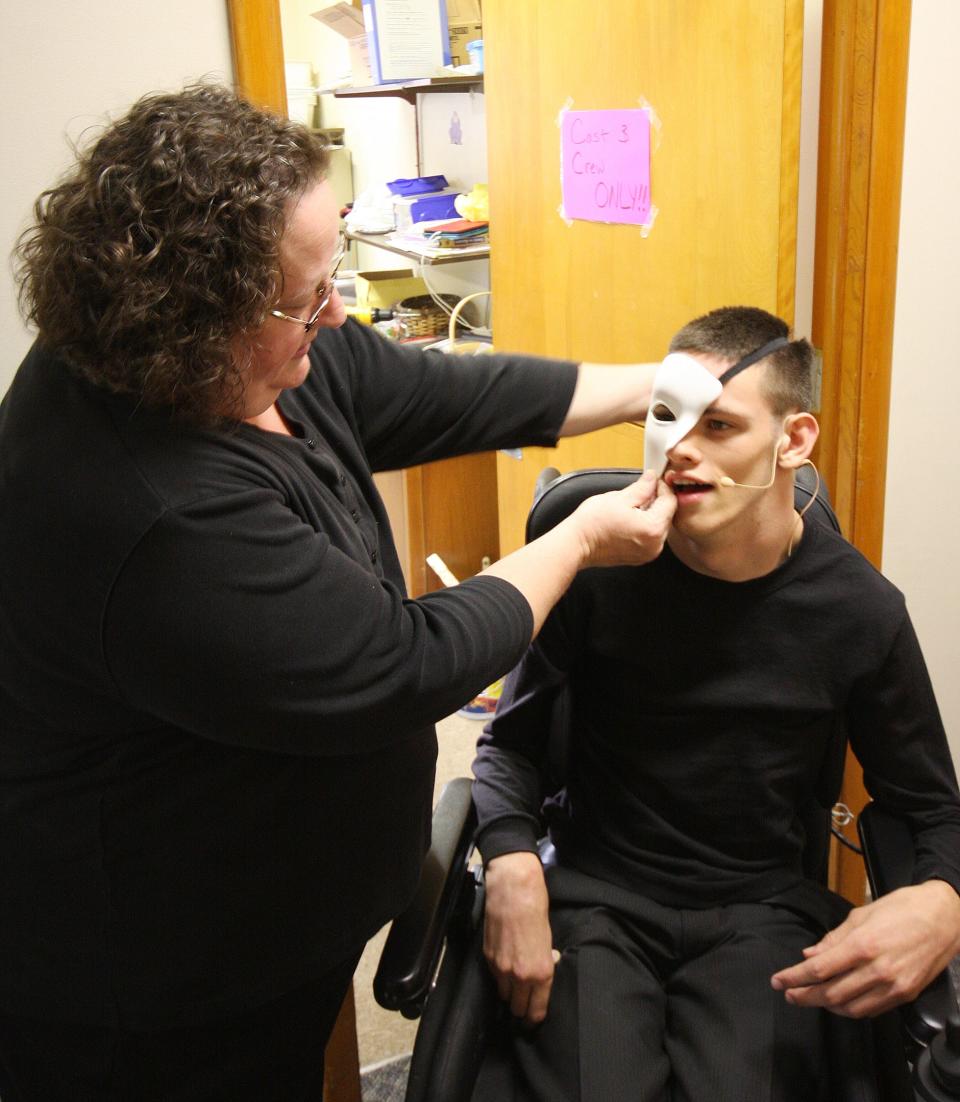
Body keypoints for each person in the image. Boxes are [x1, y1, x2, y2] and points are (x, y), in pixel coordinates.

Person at [0, 83, 678, 1101]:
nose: (340, 306)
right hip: (159, 983)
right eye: (308, 292)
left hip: (277, 918)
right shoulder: (154, 510)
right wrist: (577, 538)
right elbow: (401, 662)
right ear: (200, 313)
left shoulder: (244, 356)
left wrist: (653, 386)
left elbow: (430, 391)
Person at [471, 306, 960, 1101]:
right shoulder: (599, 564)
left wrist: (943, 901)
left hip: (757, 910)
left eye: (721, 425)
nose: (681, 452)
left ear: (792, 441)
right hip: (599, 896)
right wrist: (513, 862)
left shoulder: (858, 611)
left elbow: (934, 809)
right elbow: (507, 746)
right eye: (666, 419)